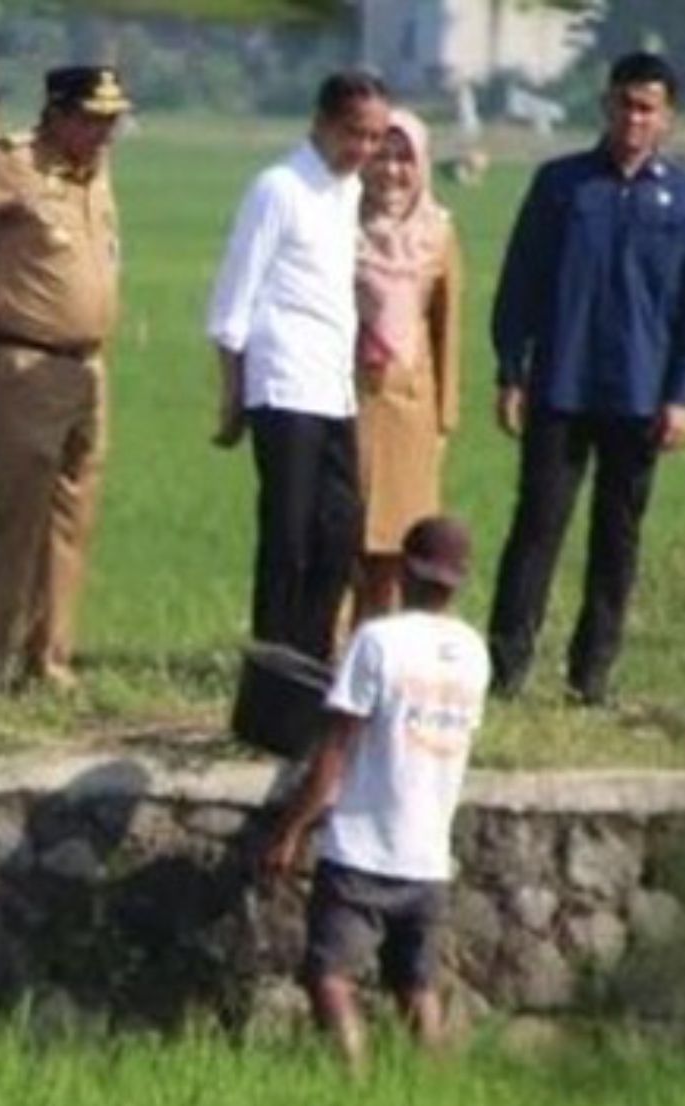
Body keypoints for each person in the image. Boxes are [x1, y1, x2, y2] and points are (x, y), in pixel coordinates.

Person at [487, 52, 685, 705]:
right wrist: (510, 371)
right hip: (559, 387)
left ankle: (590, 678)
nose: (633, 119)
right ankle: (505, 672)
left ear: (666, 117)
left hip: (638, 395)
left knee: (616, 540)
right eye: (623, 104)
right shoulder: (560, 186)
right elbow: (520, 284)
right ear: (604, 105)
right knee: (535, 529)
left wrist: (681, 396)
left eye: (647, 107)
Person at [262, 515, 490, 1070]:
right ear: (457, 581)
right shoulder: (473, 652)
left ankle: (357, 1084)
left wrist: (290, 830)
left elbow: (336, 751)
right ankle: (434, 1088)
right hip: (429, 856)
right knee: (417, 986)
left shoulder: (378, 641)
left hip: (364, 847)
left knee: (329, 976)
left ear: (405, 573)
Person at [0, 66, 131, 692]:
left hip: (86, 367)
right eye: (91, 118)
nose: (103, 131)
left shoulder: (95, 174)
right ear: (55, 114)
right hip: (24, 364)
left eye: (111, 120)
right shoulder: (11, 166)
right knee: (19, 521)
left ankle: (49, 660)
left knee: (72, 521)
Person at [206, 72, 390, 661]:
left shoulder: (349, 193)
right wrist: (232, 395)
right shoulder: (278, 189)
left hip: (332, 386)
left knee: (340, 529)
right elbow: (234, 297)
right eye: (353, 133)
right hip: (282, 380)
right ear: (321, 122)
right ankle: (273, 656)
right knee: (288, 532)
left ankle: (312, 652)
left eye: (374, 137)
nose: (363, 148)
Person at [353, 109, 462, 618]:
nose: (392, 170)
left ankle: (391, 646)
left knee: (401, 544)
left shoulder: (438, 234)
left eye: (404, 158)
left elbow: (447, 330)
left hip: (411, 411)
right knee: (342, 536)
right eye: (381, 155)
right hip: (348, 401)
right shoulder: (337, 224)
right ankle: (329, 654)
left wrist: (444, 419)